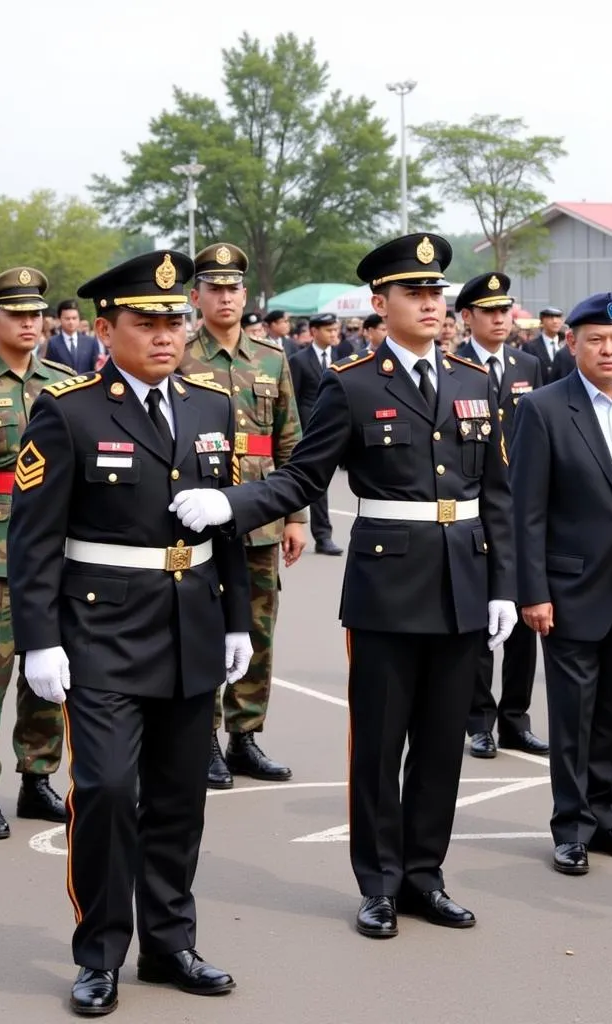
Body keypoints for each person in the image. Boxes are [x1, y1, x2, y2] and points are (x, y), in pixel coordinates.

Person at [170, 233, 516, 940]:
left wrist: (506, 583)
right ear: (380, 304)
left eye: (435, 294)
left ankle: (426, 875)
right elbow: (304, 476)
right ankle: (380, 883)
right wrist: (234, 507)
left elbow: (499, 495)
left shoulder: (477, 383)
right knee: (381, 745)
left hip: (464, 582)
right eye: (413, 294)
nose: (429, 304)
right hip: (389, 586)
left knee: (444, 744)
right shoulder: (352, 384)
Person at [8, 250, 252, 1014]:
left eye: (173, 320)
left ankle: (170, 943)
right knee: (109, 789)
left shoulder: (213, 404)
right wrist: (38, 640)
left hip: (190, 626)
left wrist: (239, 619)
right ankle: (101, 952)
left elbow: (229, 526)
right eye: (146, 321)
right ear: (106, 326)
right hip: (102, 629)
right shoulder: (69, 409)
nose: (165, 334)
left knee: (182, 796)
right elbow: (34, 537)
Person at [510, 291, 612, 877]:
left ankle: (608, 819)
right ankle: (572, 826)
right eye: (596, 340)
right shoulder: (544, 409)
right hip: (568, 590)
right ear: (572, 344)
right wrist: (531, 590)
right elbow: (525, 510)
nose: (609, 349)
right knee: (572, 714)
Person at [181, 244, 306, 789]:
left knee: (257, 629)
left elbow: (290, 443)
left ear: (245, 295)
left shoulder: (272, 358)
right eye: (214, 288)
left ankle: (245, 736)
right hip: (198, 516)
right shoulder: (180, 356)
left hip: (259, 516)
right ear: (197, 297)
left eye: (233, 288)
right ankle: (202, 738)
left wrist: (297, 518)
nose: (225, 297)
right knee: (205, 627)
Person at [0, 267, 73, 839]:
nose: (30, 323)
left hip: (51, 552)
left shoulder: (64, 382)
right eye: (17, 314)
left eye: (35, 313)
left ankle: (37, 776)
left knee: (49, 670)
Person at [454, 272, 548, 758]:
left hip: (523, 508)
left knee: (524, 614)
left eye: (504, 310)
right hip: (474, 509)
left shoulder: (528, 363)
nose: (499, 318)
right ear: (466, 316)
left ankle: (516, 717)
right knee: (479, 617)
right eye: (488, 311)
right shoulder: (453, 365)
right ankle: (479, 719)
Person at [289, 313, 343, 556]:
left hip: (337, 430)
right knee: (315, 485)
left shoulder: (343, 358)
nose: (333, 334)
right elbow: (292, 398)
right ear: (314, 332)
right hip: (307, 432)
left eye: (335, 329)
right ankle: (323, 536)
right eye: (328, 330)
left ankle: (322, 535)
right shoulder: (299, 360)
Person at [47, 299, 100, 373]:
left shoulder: (90, 342)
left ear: (79, 319)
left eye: (74, 318)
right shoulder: (53, 343)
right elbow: (50, 370)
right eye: (67, 319)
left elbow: (94, 369)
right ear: (59, 319)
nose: (71, 322)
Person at [523, 306, 564, 383]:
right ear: (542, 322)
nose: (555, 321)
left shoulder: (567, 345)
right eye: (550, 318)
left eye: (558, 317)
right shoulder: (530, 347)